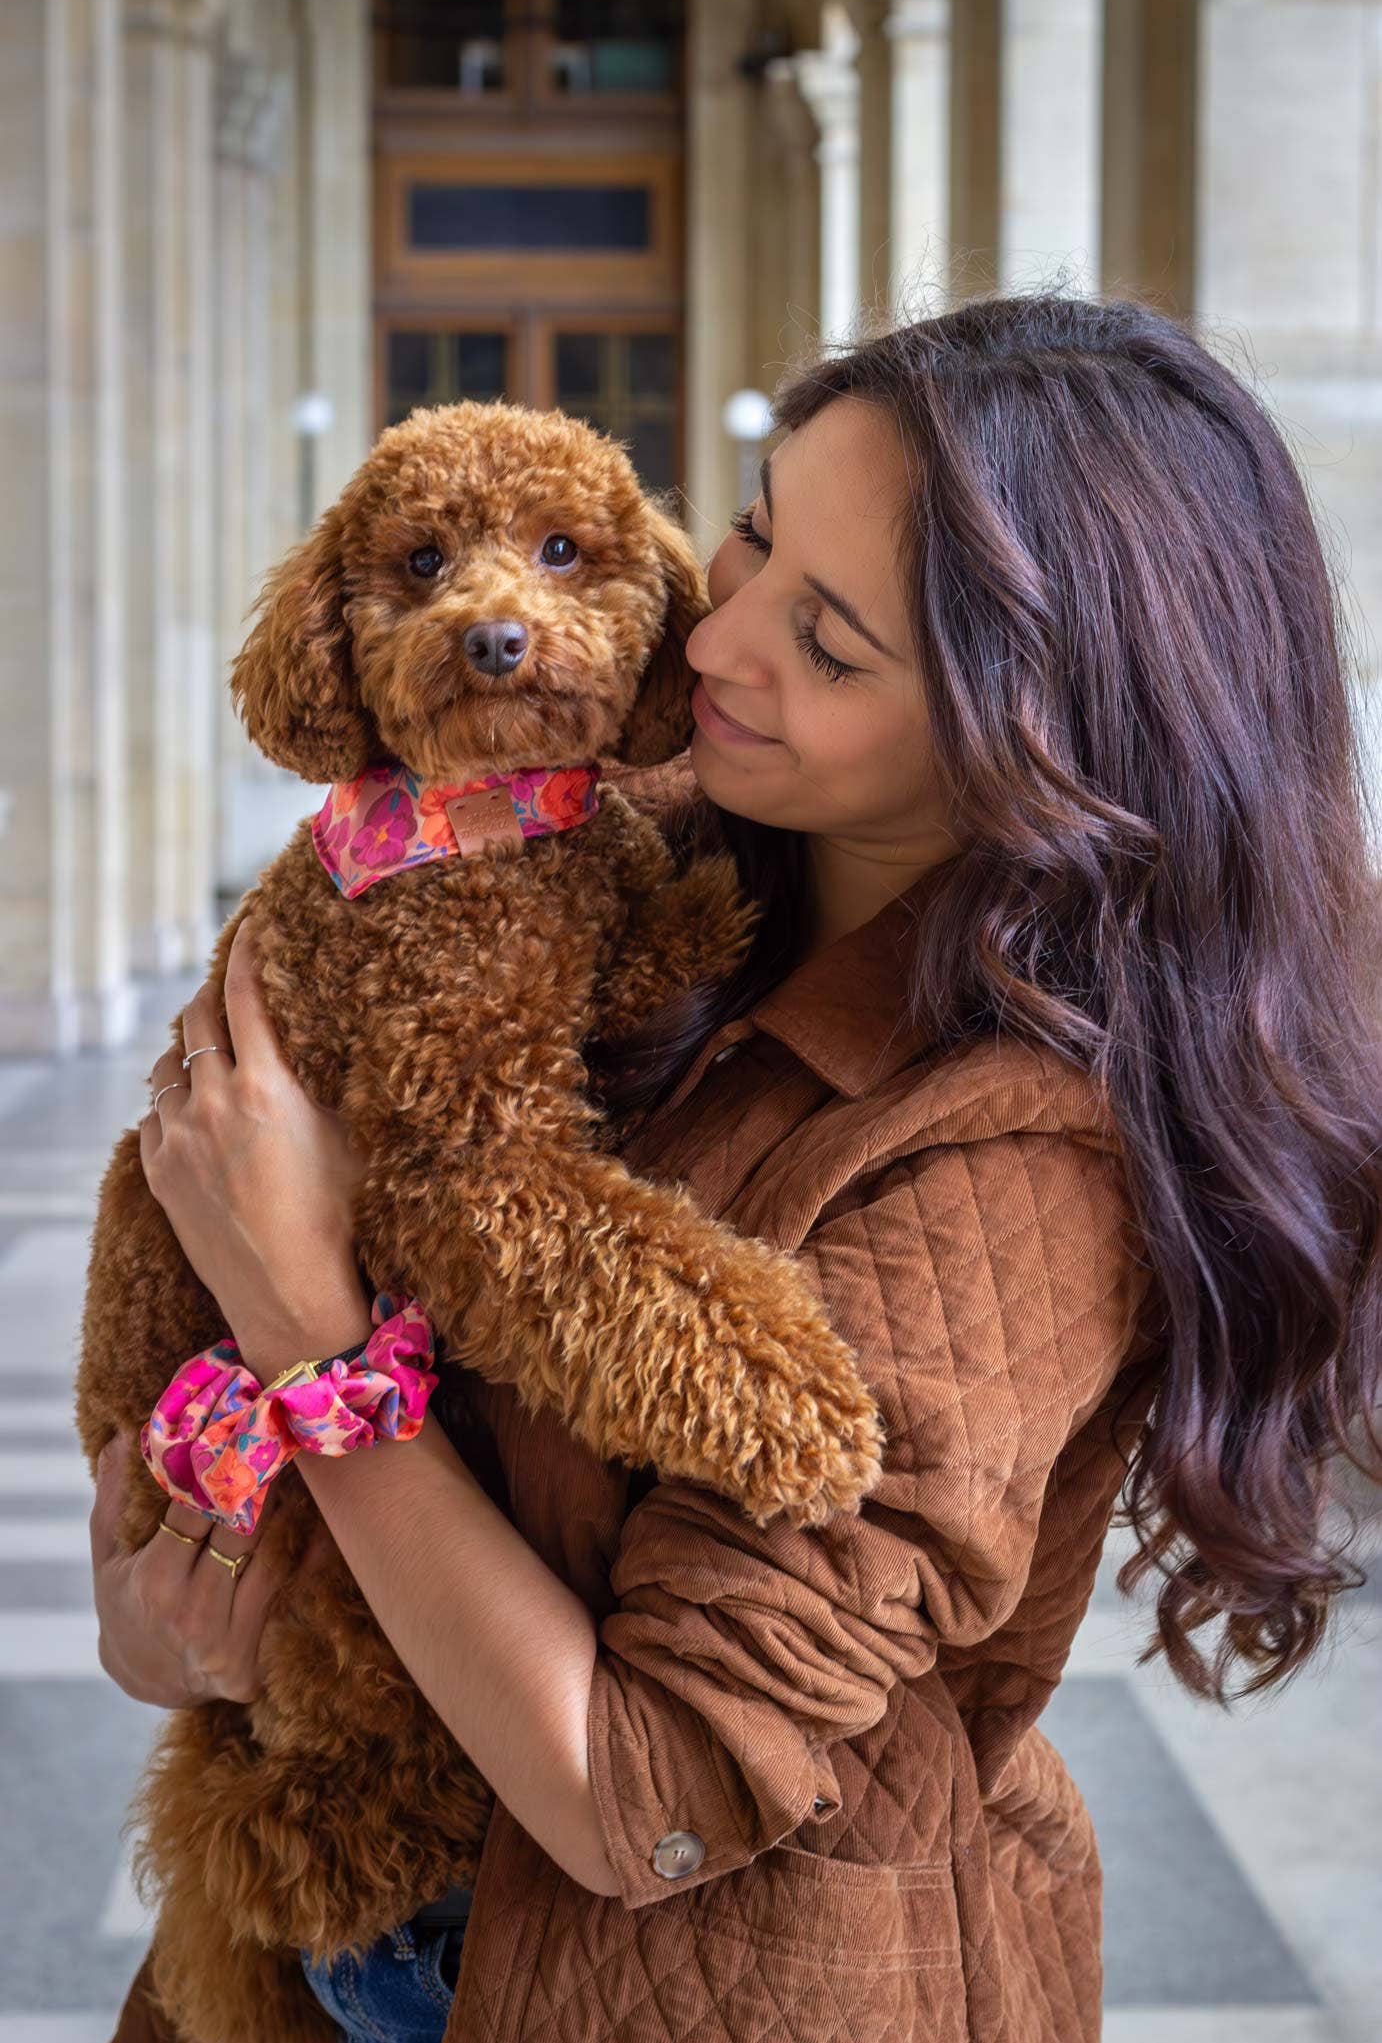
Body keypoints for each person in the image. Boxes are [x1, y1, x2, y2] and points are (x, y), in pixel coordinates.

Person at [93, 293, 1382, 2043]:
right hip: (327, 1917)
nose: (719, 636)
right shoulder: (621, 857)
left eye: (831, 641)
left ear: (1038, 739)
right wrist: (180, 1623)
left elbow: (650, 1788)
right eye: (758, 528)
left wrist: (306, 1323)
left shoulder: (1019, 1156)